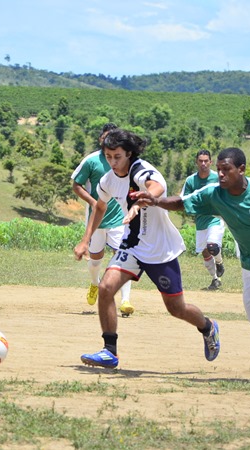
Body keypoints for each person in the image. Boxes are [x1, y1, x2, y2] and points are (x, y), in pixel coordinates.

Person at [131, 147, 250, 384]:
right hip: (249, 264)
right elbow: (182, 202)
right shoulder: (215, 194)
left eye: (226, 170)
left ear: (241, 169)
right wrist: (155, 201)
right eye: (219, 170)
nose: (221, 175)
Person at [73, 129, 220, 369]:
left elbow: (157, 187)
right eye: (108, 156)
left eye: (117, 156)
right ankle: (109, 351)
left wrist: (145, 198)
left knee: (176, 308)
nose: (112, 162)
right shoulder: (108, 179)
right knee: (106, 288)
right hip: (132, 245)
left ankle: (208, 326)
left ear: (129, 154)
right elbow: (99, 207)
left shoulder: (141, 170)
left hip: (159, 250)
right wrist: (85, 239)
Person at [71, 123, 134, 316]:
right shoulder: (91, 161)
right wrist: (92, 202)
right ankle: (94, 284)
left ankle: (125, 301)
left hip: (119, 220)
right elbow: (76, 184)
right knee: (95, 261)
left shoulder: (124, 162)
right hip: (96, 222)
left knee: (124, 258)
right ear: (101, 140)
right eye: (107, 139)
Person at [181, 149, 226, 291]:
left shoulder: (217, 178)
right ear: (196, 162)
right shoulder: (190, 180)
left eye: (206, 161)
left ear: (211, 162)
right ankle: (215, 279)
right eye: (200, 161)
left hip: (216, 218)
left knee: (212, 246)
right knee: (205, 252)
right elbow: (184, 198)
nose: (203, 164)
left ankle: (219, 262)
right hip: (200, 221)